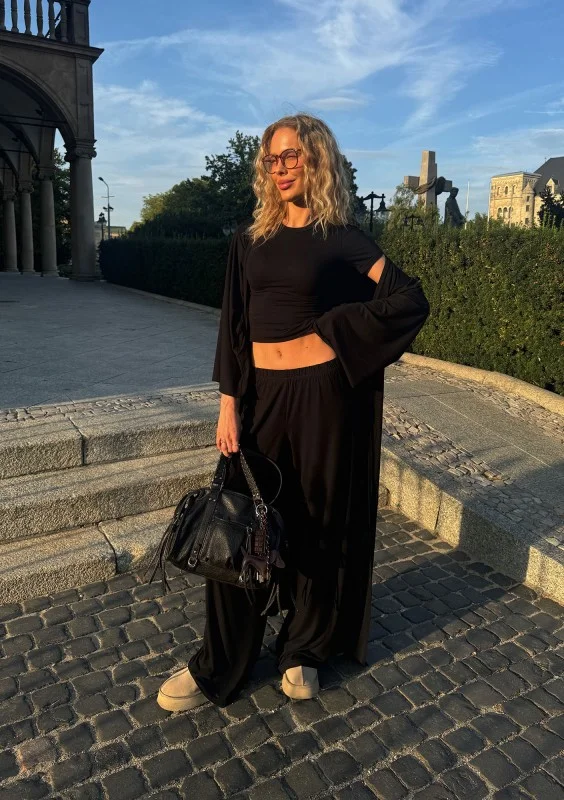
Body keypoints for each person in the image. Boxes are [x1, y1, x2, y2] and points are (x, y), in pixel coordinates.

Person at [157, 113, 429, 711]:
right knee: (238, 521)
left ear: (316, 159)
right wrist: (228, 404)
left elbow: (408, 297)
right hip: (261, 398)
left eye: (291, 156)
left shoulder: (342, 237)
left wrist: (336, 330)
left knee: (316, 520)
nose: (280, 168)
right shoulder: (248, 239)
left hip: (323, 398)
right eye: (272, 159)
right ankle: (219, 662)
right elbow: (234, 327)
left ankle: (303, 647)